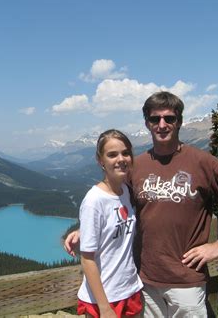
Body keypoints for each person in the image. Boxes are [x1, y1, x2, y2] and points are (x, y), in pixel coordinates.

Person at [65, 91, 218, 318]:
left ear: (179, 122)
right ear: (147, 124)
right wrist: (86, 229)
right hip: (144, 281)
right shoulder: (135, 165)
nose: (162, 125)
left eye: (169, 118)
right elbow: (115, 202)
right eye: (155, 119)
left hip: (187, 281)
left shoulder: (202, 162)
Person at [77, 129, 144, 318]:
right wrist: (104, 308)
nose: (121, 159)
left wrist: (81, 231)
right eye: (112, 154)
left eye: (125, 153)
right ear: (101, 161)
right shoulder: (94, 200)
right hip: (105, 299)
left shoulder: (126, 191)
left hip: (130, 290)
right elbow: (87, 258)